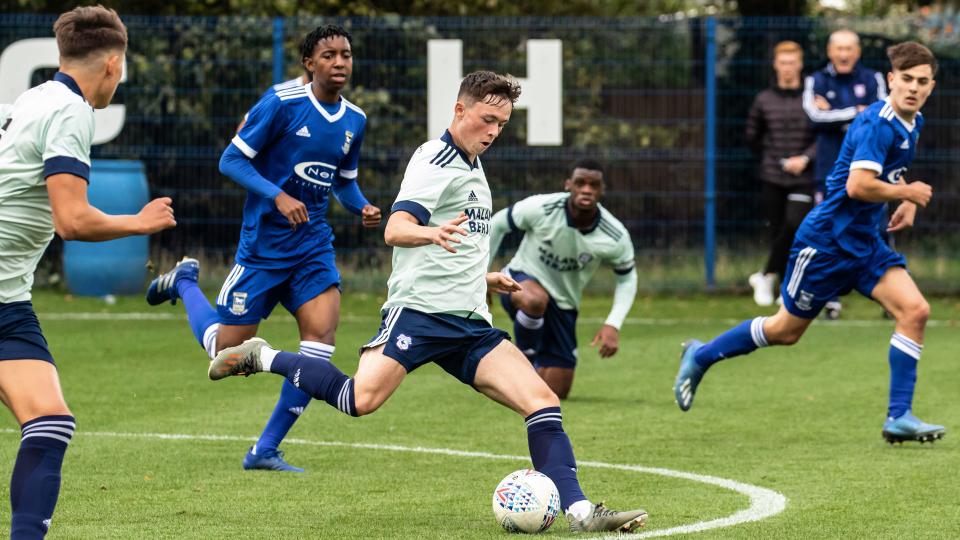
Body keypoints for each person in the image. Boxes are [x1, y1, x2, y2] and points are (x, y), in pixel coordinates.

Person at [209, 71, 648, 533]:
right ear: (460, 110)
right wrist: (430, 232)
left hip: (469, 324)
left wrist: (484, 276)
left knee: (542, 401)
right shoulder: (434, 159)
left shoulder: (474, 165)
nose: (494, 131)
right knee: (359, 400)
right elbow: (396, 228)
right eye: (487, 119)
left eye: (502, 122)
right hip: (418, 314)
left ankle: (581, 513)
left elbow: (463, 240)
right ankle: (265, 355)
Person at [674, 42, 945, 446]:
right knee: (785, 331)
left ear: (931, 86)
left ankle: (899, 416)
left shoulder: (914, 121)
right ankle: (701, 355)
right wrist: (906, 193)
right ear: (891, 80)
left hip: (866, 243)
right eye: (906, 79)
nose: (913, 88)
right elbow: (858, 185)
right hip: (826, 244)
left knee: (916, 311)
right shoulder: (877, 123)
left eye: (922, 82)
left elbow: (887, 177)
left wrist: (904, 198)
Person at [145, 25, 381, 473]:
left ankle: (264, 449)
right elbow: (230, 160)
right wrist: (276, 194)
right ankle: (186, 283)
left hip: (312, 247)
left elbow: (345, 184)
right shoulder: (281, 104)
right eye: (328, 55)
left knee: (321, 340)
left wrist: (363, 207)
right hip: (263, 248)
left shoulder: (355, 119)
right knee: (225, 353)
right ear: (309, 63)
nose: (339, 63)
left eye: (346, 55)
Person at [0, 7, 176, 537]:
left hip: (8, 299)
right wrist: (139, 222)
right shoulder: (72, 110)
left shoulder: (33, 98)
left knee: (49, 423)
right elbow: (72, 221)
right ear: (114, 63)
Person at [487, 159, 636, 399]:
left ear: (602, 190)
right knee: (535, 301)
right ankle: (523, 361)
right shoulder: (542, 207)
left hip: (565, 303)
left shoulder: (615, 235)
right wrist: (482, 276)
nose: (586, 189)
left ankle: (517, 375)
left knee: (555, 391)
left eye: (593, 184)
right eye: (580, 183)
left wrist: (613, 323)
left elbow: (627, 279)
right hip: (519, 281)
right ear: (569, 185)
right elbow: (496, 224)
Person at [802, 29, 887, 319]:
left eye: (849, 48)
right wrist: (857, 112)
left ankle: (888, 295)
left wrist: (840, 113)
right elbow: (815, 116)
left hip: (869, 169)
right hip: (829, 171)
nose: (844, 54)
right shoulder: (816, 80)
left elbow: (882, 114)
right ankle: (829, 299)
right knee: (827, 233)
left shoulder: (873, 78)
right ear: (829, 51)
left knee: (876, 231)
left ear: (858, 51)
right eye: (838, 48)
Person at [745, 41, 816, 307]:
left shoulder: (812, 97)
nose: (787, 68)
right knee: (778, 232)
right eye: (783, 63)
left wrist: (805, 158)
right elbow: (753, 137)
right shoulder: (764, 99)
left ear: (800, 64)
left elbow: (823, 133)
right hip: (772, 176)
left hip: (804, 176)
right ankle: (784, 290)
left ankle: (765, 275)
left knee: (796, 226)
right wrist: (775, 159)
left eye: (792, 62)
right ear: (776, 65)